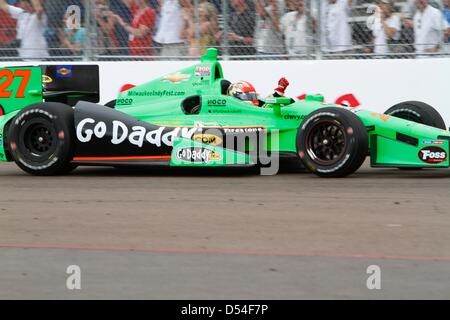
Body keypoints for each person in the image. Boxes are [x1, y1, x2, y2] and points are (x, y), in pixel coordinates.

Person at [227, 77, 293, 107]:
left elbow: (265, 102)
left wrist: (278, 93)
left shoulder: (257, 104)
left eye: (252, 94)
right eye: (248, 95)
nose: (252, 97)